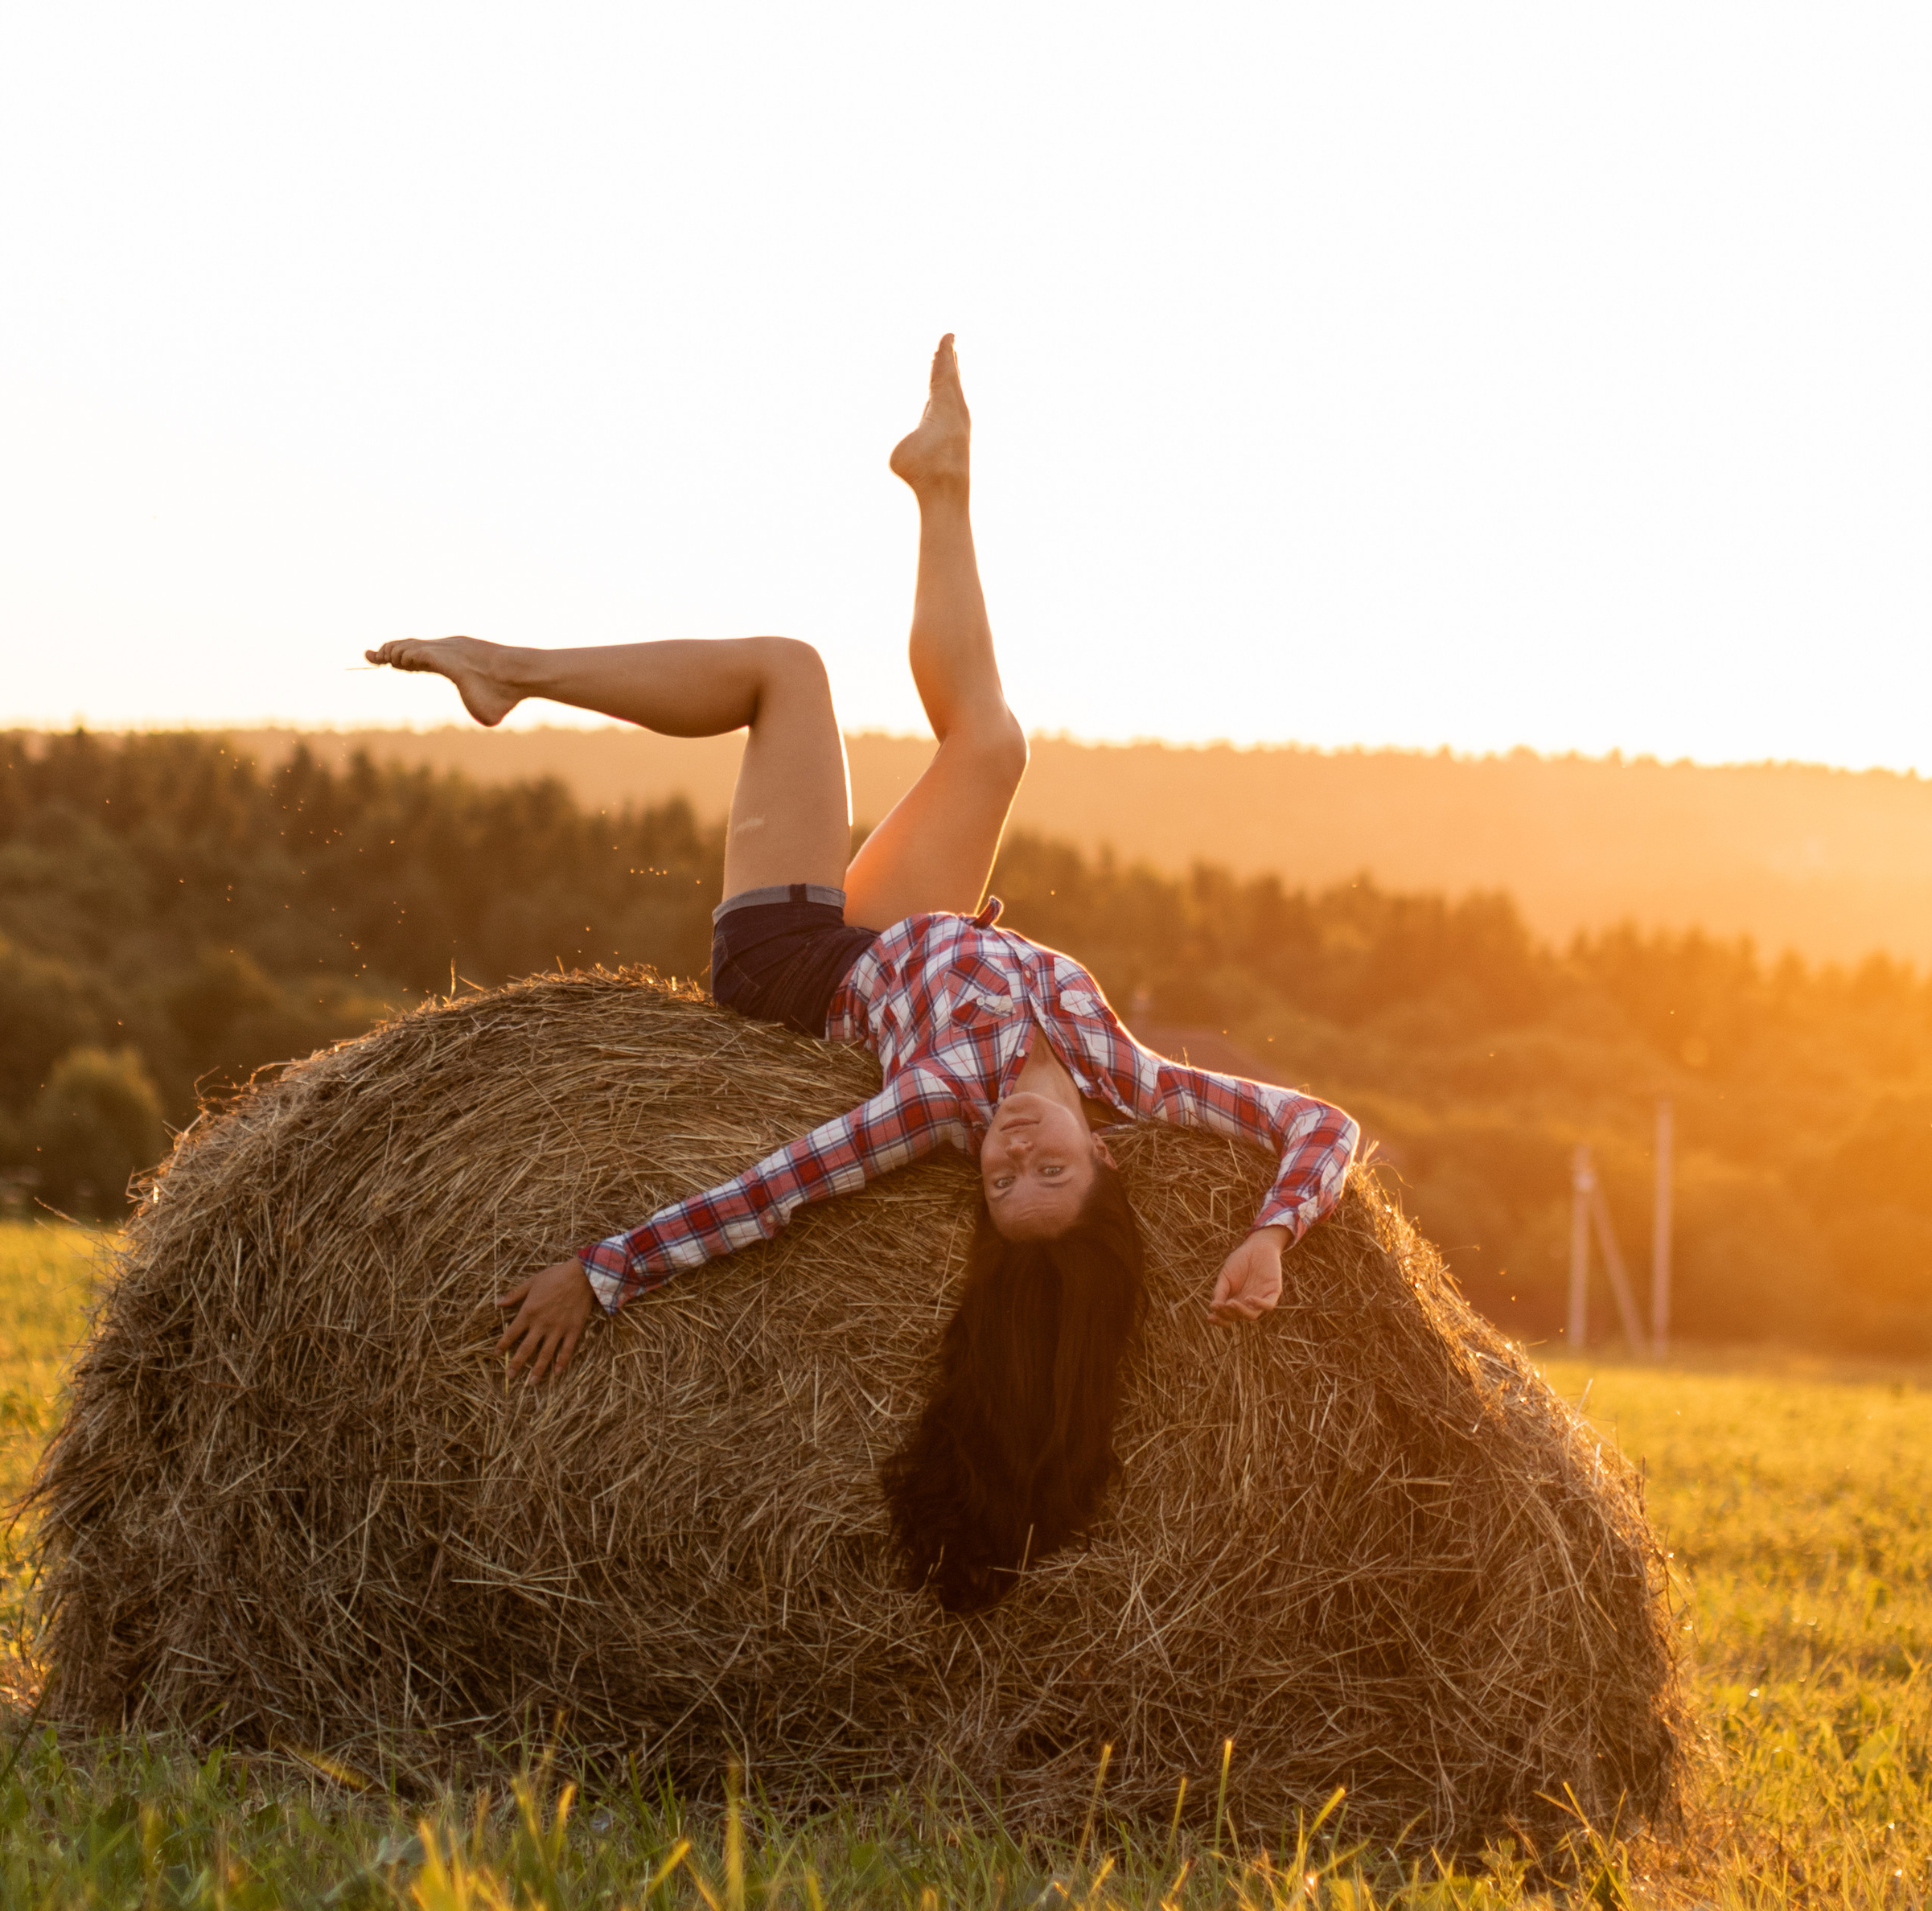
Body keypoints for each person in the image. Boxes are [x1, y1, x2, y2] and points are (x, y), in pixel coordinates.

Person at [367, 336, 1359, 1613]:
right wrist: (1274, 1234)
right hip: (921, 930)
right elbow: (1318, 1123)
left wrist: (602, 1272)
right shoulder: (1128, 1077)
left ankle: (511, 673)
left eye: (1002, 1183)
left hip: (807, 964)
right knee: (994, 743)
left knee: (788, 673)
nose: (1011, 1151)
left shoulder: (938, 1100)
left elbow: (772, 1191)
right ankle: (940, 482)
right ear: (1106, 1156)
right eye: (1047, 1167)